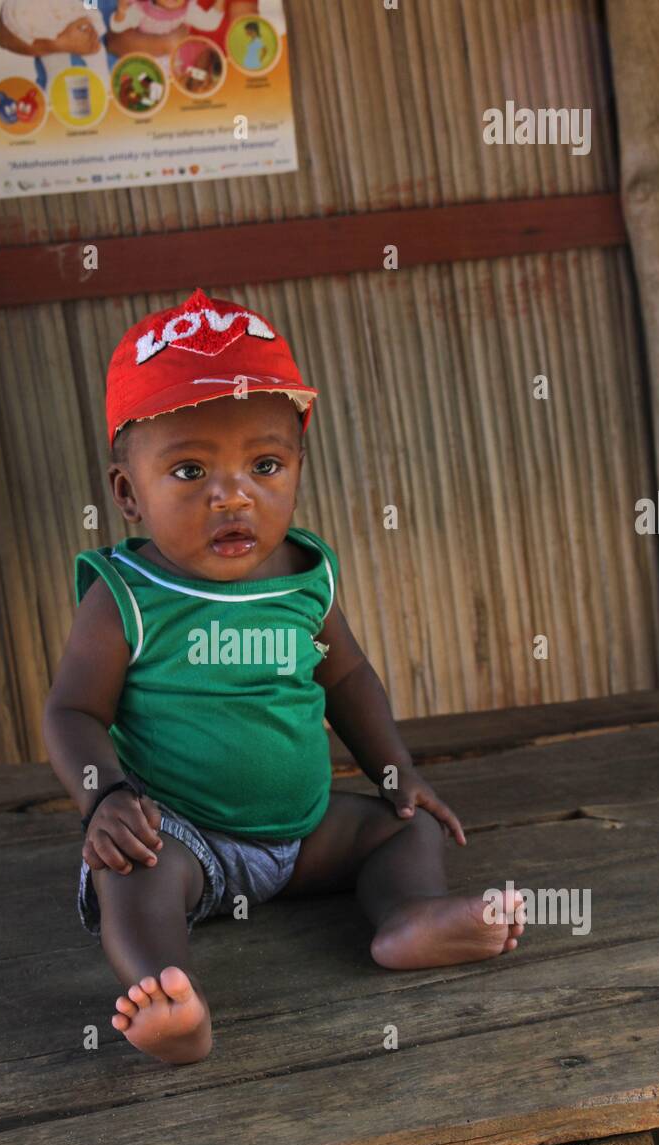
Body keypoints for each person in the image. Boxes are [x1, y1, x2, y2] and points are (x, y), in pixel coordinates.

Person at [43, 287, 526, 1065]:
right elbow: (71, 711)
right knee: (128, 873)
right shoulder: (125, 597)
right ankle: (169, 995)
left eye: (264, 464)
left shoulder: (307, 575)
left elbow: (350, 678)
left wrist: (396, 771)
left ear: (298, 467)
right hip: (187, 838)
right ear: (128, 493)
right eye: (191, 469)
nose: (232, 494)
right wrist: (104, 797)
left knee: (408, 825)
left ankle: (410, 919)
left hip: (305, 835)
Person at [0, 0, 110, 91]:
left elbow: (91, 6)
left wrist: (89, 18)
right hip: (52, 22)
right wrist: (59, 44)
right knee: (57, 69)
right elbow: (4, 37)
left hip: (114, 87)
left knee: (97, 59)